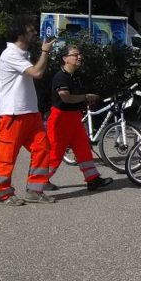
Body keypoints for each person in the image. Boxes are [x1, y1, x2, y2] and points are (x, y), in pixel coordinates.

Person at [0, 16, 54, 205]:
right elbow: (37, 73)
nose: (35, 33)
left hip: (29, 112)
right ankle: (3, 193)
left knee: (43, 148)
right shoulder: (10, 54)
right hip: (13, 114)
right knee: (7, 156)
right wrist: (45, 52)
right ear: (19, 34)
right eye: (30, 30)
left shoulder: (23, 54)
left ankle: (34, 191)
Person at [46, 44, 114, 192]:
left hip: (74, 118)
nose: (79, 57)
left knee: (83, 149)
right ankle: (38, 182)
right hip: (61, 119)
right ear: (65, 59)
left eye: (79, 54)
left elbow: (73, 98)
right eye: (75, 55)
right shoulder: (61, 76)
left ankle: (93, 180)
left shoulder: (75, 76)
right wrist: (85, 96)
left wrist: (85, 100)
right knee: (55, 153)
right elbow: (66, 98)